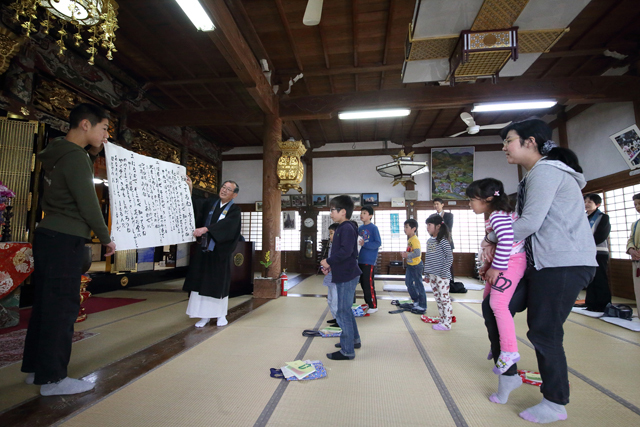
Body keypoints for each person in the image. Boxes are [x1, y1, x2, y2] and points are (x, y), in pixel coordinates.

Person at [487, 119, 596, 424]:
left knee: (544, 332)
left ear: (530, 142)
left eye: (509, 140)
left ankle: (555, 401)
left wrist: (493, 237)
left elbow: (528, 224)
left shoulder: (546, 171)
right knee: (497, 305)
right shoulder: (536, 174)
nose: (504, 147)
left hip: (563, 262)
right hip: (543, 263)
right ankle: (509, 372)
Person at [21, 103, 116, 396]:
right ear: (86, 125)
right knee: (62, 308)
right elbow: (88, 202)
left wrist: (99, 149)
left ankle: (37, 369)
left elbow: (82, 164)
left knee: (46, 304)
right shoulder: (75, 158)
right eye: (104, 128)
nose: (106, 135)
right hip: (65, 239)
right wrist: (105, 236)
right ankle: (52, 379)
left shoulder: (59, 151)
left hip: (49, 235)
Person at [466, 178, 527, 377]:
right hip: (501, 263)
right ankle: (498, 342)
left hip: (511, 263)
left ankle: (509, 350)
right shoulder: (494, 215)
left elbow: (507, 239)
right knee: (487, 302)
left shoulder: (499, 216)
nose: (469, 204)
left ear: (489, 198)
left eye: (472, 199)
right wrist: (487, 265)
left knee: (498, 305)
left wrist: (497, 268)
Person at [183, 180, 241, 328]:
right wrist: (189, 188)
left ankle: (221, 315)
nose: (224, 190)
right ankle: (204, 317)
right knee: (200, 284)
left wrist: (207, 229)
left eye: (228, 189)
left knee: (217, 285)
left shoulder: (234, 211)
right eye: (223, 187)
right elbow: (196, 206)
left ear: (234, 195)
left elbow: (228, 227)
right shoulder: (211, 203)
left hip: (219, 254)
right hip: (203, 251)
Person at [320, 195, 362, 360]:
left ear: (343, 211)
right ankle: (354, 340)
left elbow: (345, 252)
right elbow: (344, 253)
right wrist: (330, 266)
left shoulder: (346, 228)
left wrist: (328, 261)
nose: (330, 213)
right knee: (346, 310)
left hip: (347, 275)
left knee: (343, 311)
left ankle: (347, 350)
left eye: (332, 210)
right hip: (344, 273)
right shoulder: (344, 227)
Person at [423, 214, 454, 331]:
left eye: (429, 225)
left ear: (437, 226)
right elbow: (428, 258)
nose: (427, 227)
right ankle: (442, 320)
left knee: (444, 299)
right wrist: (426, 274)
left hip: (442, 276)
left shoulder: (444, 241)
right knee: (438, 298)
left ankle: (447, 323)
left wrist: (443, 273)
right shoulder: (430, 241)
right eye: (427, 225)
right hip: (432, 275)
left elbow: (449, 258)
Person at [583, 193, 611, 312]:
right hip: (585, 252)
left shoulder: (603, 217)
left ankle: (602, 304)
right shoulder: (582, 217)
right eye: (585, 202)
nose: (586, 204)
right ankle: (591, 303)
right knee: (589, 278)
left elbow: (601, 235)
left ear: (597, 204)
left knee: (600, 278)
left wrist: (586, 244)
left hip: (599, 252)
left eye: (590, 202)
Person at [357, 206, 381, 313]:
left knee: (368, 283)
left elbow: (378, 243)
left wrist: (365, 244)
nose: (362, 215)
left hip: (369, 260)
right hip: (359, 260)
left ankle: (373, 305)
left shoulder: (374, 228)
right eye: (361, 213)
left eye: (365, 213)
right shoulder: (360, 229)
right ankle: (368, 303)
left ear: (370, 216)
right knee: (362, 283)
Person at [401, 219, 426, 314]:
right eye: (404, 227)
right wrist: (405, 254)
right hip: (410, 265)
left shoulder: (415, 240)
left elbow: (417, 253)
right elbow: (410, 251)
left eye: (407, 227)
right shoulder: (410, 239)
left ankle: (422, 305)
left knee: (419, 285)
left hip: (416, 265)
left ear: (413, 229)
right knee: (408, 283)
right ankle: (416, 301)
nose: (405, 229)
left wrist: (407, 255)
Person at [433, 197, 455, 285]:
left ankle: (451, 282)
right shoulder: (433, 217)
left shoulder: (449, 215)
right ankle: (439, 281)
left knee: (448, 262)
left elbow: (448, 228)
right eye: (434, 204)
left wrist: (440, 222)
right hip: (436, 242)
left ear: (442, 205)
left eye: (437, 204)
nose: (435, 206)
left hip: (447, 241)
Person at [323, 223, 340, 325]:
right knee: (330, 299)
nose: (330, 236)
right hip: (330, 276)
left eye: (332, 233)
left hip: (337, 278)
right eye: (329, 234)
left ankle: (339, 320)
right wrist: (327, 267)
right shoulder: (332, 245)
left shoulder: (341, 247)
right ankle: (335, 317)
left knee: (335, 300)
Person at [626, 193, 640, 308]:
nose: (637, 207)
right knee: (638, 289)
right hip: (637, 259)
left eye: (639, 203)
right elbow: (630, 239)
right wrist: (631, 250)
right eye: (635, 204)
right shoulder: (635, 224)